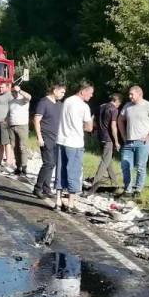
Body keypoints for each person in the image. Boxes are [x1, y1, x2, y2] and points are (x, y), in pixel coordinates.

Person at [119, 86, 149, 199]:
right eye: (129, 94)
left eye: (132, 94)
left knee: (140, 167)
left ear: (139, 94)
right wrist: (123, 135)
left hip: (142, 143)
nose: (130, 96)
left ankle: (138, 189)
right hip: (128, 142)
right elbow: (120, 120)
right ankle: (127, 189)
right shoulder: (127, 106)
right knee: (125, 166)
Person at [55, 82, 94, 212]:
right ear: (83, 91)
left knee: (60, 170)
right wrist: (83, 124)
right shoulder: (84, 106)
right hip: (75, 142)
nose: (91, 95)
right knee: (74, 172)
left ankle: (58, 201)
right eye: (90, 92)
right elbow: (89, 127)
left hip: (61, 140)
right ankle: (71, 204)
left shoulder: (67, 101)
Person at [32, 83, 66, 200]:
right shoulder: (44, 102)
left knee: (52, 164)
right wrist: (39, 137)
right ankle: (38, 188)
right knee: (48, 163)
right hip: (46, 137)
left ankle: (46, 188)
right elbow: (36, 120)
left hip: (56, 138)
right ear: (55, 90)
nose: (63, 95)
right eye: (62, 92)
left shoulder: (60, 104)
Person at [86, 93, 122, 195]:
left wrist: (93, 129)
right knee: (104, 161)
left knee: (108, 160)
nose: (119, 105)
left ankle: (114, 182)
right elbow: (113, 126)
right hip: (108, 138)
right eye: (119, 103)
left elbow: (93, 117)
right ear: (117, 101)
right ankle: (95, 182)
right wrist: (116, 141)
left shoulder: (101, 107)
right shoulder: (114, 110)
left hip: (100, 136)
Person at [6, 84, 32, 176]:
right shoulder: (11, 102)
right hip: (12, 126)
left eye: (15, 92)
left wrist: (20, 90)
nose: (14, 93)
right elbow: (9, 113)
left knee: (22, 147)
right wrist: (7, 122)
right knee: (15, 147)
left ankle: (24, 168)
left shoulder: (23, 100)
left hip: (22, 126)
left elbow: (29, 96)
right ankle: (18, 167)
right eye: (12, 92)